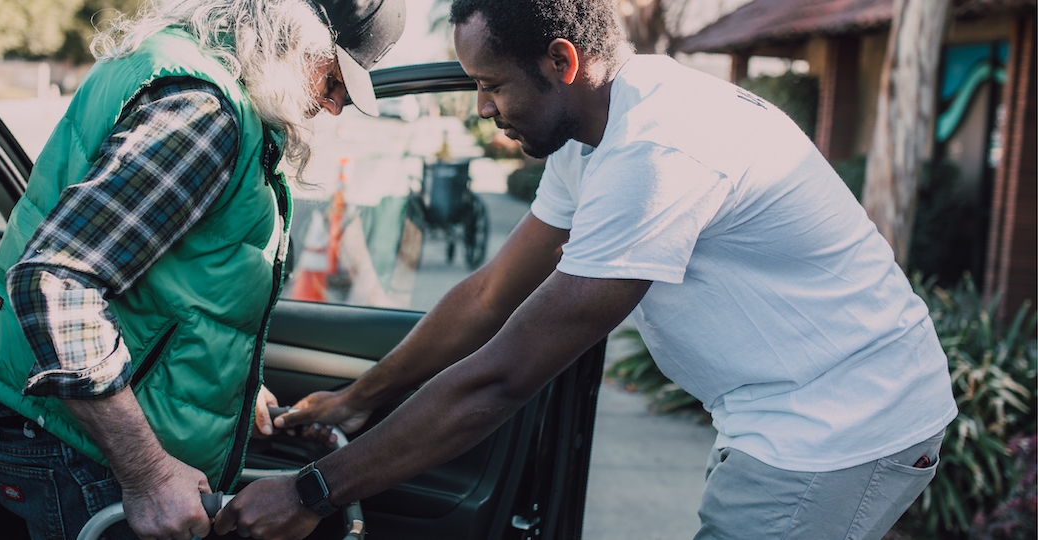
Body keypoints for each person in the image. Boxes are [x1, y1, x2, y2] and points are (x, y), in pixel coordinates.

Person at [213, 0, 957, 539]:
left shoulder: (659, 151)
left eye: (493, 83)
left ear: (562, 61)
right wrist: (354, 399)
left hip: (842, 427)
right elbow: (489, 295)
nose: (482, 106)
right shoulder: (595, 133)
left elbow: (503, 375)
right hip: (782, 414)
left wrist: (311, 493)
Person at [0, 0, 404, 538]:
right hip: (78, 452)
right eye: (333, 75)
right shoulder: (203, 113)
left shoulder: (177, 67)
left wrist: (226, 388)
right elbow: (58, 282)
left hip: (51, 427)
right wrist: (147, 473)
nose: (334, 104)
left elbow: (162, 276)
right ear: (290, 33)